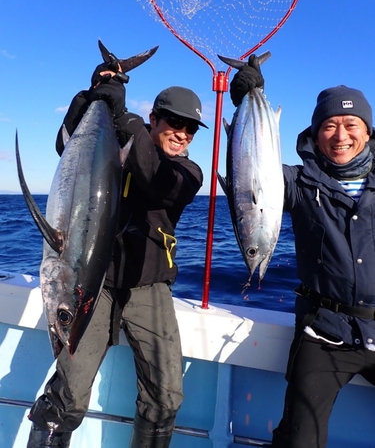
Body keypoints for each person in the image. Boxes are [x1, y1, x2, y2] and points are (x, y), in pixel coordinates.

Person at [26, 48, 208, 448]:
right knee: (68, 395)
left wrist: (124, 119)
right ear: (154, 119)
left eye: (191, 128)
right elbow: (68, 145)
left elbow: (154, 178)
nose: (182, 133)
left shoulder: (186, 172)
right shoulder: (118, 143)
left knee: (166, 396)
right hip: (93, 283)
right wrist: (93, 95)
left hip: (149, 286)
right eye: (174, 123)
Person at [230, 57, 375, 448]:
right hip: (324, 332)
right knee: (299, 439)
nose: (340, 135)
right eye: (329, 125)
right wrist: (246, 101)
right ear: (314, 134)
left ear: (368, 131)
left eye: (351, 125)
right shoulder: (296, 182)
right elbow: (251, 177)